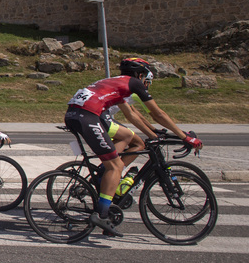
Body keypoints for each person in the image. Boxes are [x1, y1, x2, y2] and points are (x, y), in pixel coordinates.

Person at [64, 57, 202, 236]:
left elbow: (132, 114)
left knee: (124, 150)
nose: (146, 84)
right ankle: (102, 214)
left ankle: (106, 186)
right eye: (147, 79)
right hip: (88, 116)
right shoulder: (135, 83)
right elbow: (157, 113)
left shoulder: (115, 82)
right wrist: (185, 137)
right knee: (115, 166)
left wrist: (154, 133)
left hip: (78, 114)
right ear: (140, 74)